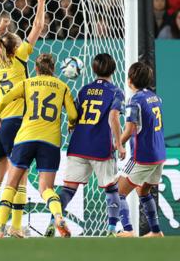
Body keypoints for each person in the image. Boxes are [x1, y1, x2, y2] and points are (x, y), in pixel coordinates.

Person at [0, 0, 47, 238]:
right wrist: (40, 2)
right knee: (20, 175)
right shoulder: (20, 58)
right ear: (17, 47)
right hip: (16, 122)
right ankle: (16, 226)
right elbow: (38, 26)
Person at [0, 54, 78, 239]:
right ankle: (58, 216)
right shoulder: (63, 87)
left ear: (36, 69)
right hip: (51, 142)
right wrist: (71, 123)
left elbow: (5, 99)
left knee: (11, 184)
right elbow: (72, 114)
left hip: (26, 138)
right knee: (46, 188)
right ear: (54, 69)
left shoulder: (27, 83)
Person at [49, 53, 124, 237]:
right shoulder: (115, 92)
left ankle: (53, 221)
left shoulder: (84, 90)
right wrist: (119, 143)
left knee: (68, 189)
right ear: (113, 70)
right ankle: (112, 230)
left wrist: (71, 126)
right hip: (100, 148)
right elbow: (113, 117)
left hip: (78, 145)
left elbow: (73, 113)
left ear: (92, 69)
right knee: (111, 189)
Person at [116, 62, 166, 238]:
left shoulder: (134, 101)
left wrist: (116, 145)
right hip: (159, 155)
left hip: (142, 157)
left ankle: (128, 230)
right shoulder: (155, 98)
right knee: (143, 191)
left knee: (117, 191)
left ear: (130, 81)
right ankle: (155, 231)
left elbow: (129, 131)